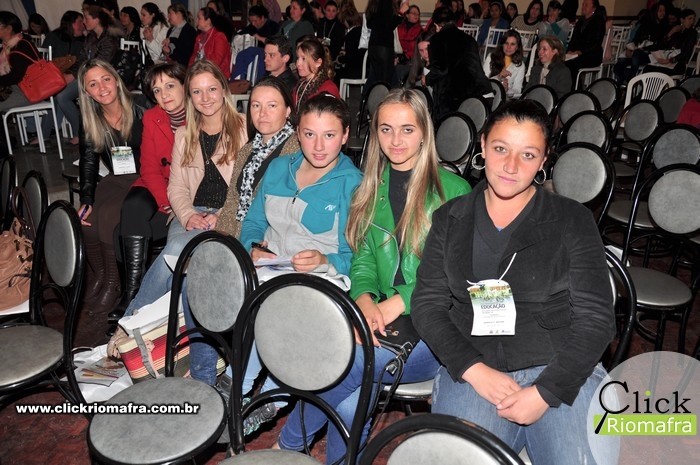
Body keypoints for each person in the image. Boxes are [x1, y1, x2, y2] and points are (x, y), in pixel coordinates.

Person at [411, 99, 618, 465]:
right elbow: (428, 305)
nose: (511, 166)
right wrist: (474, 370)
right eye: (501, 149)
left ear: (543, 160)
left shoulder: (572, 219)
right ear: (482, 145)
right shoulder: (450, 218)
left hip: (560, 363)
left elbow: (597, 319)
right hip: (476, 364)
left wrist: (546, 391)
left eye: (528, 155)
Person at [273, 89, 470, 465]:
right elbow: (362, 261)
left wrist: (396, 303)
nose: (395, 140)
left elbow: (456, 277)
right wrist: (363, 300)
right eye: (386, 129)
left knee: (347, 360)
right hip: (381, 314)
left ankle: (286, 446)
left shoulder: (454, 191)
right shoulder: (370, 188)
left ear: (425, 133)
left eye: (407, 129)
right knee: (349, 402)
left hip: (437, 325)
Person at [185, 77, 301, 391]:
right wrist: (220, 242)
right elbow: (232, 201)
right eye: (256, 106)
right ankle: (203, 377)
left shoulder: (296, 150)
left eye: (272, 105)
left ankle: (218, 375)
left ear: (287, 111)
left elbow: (279, 213)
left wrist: (241, 246)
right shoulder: (250, 148)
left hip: (267, 244)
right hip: (238, 238)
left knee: (212, 284)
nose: (262, 113)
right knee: (195, 279)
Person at [119, 59, 246, 319]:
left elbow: (249, 185)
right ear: (190, 96)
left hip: (230, 213)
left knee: (178, 252)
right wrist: (188, 215)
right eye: (197, 91)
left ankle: (132, 321)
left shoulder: (245, 128)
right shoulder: (184, 134)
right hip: (190, 211)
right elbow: (176, 185)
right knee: (182, 262)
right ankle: (164, 328)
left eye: (211, 89)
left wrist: (222, 214)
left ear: (224, 89)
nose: (205, 98)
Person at [106, 62, 187, 328]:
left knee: (121, 232)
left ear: (185, 85)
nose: (164, 94)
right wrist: (166, 202)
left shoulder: (200, 114)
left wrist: (178, 203)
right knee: (133, 205)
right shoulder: (153, 117)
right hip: (157, 184)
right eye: (157, 90)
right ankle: (133, 293)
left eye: (170, 86)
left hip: (186, 190)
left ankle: (134, 296)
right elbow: (150, 168)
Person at [77, 59, 146, 312]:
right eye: (93, 84)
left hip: (144, 177)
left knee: (108, 214)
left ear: (116, 80)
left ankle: (113, 283)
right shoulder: (91, 119)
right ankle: (100, 276)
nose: (102, 87)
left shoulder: (141, 109)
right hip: (116, 178)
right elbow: (88, 161)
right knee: (87, 218)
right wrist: (86, 199)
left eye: (106, 79)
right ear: (87, 92)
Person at [50, 5, 120, 147]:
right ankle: (45, 134)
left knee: (62, 96)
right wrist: (70, 74)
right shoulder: (91, 37)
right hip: (87, 76)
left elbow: (99, 66)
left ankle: (80, 133)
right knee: (55, 89)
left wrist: (74, 76)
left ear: (96, 20)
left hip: (101, 79)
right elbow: (81, 58)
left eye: (86, 18)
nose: (83, 22)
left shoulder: (109, 39)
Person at [427, 7, 492, 121]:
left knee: (445, 126)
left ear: (437, 25)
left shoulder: (437, 39)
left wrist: (427, 79)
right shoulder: (469, 39)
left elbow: (440, 69)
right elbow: (475, 67)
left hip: (447, 96)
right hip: (470, 93)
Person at [634, 9, 697, 77]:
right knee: (645, 65)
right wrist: (671, 32)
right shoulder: (676, 31)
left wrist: (670, 60)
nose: (692, 21)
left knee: (650, 69)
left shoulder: (692, 33)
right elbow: (662, 45)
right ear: (682, 20)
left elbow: (686, 52)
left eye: (693, 19)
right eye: (690, 19)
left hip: (678, 63)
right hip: (666, 58)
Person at [365, 0, 409, 87]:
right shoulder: (386, 2)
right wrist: (401, 13)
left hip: (373, 46)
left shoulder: (373, 2)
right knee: (385, 83)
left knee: (374, 81)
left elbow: (369, 24)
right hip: (384, 46)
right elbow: (388, 25)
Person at [292, 35, 339, 109]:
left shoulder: (328, 89)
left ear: (318, 63)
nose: (298, 63)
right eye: (298, 58)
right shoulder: (300, 85)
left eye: (304, 59)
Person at [565, 0, 606, 80]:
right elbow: (573, 39)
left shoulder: (599, 21)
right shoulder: (580, 21)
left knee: (572, 63)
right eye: (583, 4)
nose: (583, 7)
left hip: (592, 55)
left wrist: (580, 52)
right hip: (577, 53)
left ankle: (576, 86)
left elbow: (596, 43)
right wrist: (569, 50)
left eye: (586, 5)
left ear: (593, 8)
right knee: (561, 61)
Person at [189, 7, 233, 80]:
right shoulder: (199, 37)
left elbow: (216, 61)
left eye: (199, 18)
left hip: (217, 75)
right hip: (201, 72)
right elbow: (193, 57)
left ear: (208, 21)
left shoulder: (219, 37)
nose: (196, 21)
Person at [483, 29, 525, 98]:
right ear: (502, 44)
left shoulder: (520, 65)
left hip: (506, 99)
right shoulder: (491, 57)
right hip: (488, 96)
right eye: (506, 43)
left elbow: (517, 90)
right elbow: (483, 82)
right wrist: (498, 77)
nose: (508, 47)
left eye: (512, 44)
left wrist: (507, 90)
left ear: (517, 47)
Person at [162, 2, 197, 67]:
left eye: (170, 13)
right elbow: (168, 50)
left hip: (183, 67)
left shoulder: (189, 30)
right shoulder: (170, 30)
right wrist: (166, 51)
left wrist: (171, 40)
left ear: (178, 14)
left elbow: (186, 52)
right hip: (171, 65)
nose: (168, 16)